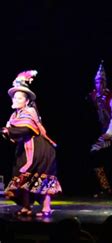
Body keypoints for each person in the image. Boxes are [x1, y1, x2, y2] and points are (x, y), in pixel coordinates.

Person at [2, 70, 62, 217]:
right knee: (23, 177)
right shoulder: (14, 115)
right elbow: (14, 134)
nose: (14, 100)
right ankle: (26, 206)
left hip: (40, 150)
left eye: (19, 98)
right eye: (14, 97)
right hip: (26, 149)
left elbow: (24, 129)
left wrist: (7, 130)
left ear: (27, 101)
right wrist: (7, 132)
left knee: (41, 177)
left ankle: (46, 208)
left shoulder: (29, 112)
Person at [88, 61, 112, 199]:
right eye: (97, 82)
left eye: (102, 82)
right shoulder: (93, 96)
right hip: (104, 130)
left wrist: (109, 134)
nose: (99, 85)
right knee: (95, 155)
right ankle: (106, 188)